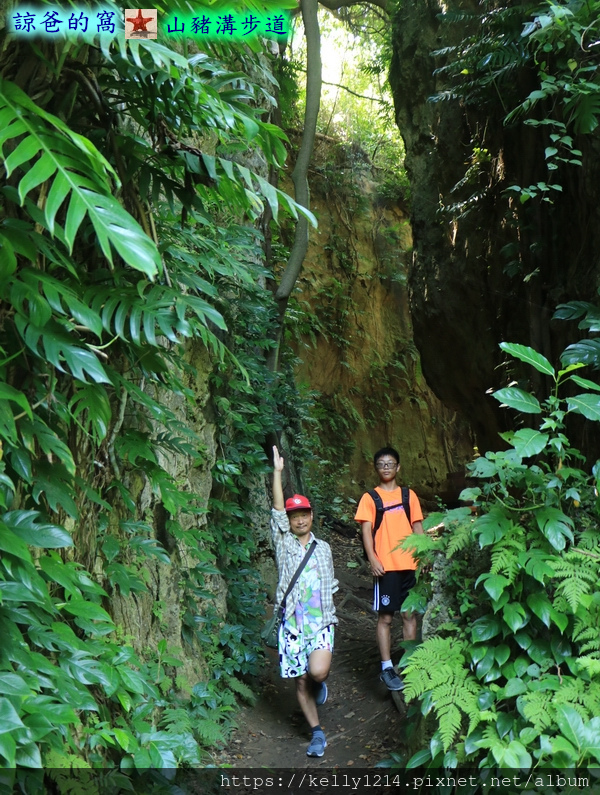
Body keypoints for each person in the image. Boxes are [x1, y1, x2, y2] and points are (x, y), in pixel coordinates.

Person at [270, 445, 338, 757]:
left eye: (303, 515)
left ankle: (318, 682)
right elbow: (275, 511)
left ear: (311, 516)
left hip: (320, 621)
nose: (299, 520)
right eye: (293, 516)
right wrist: (278, 473)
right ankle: (316, 732)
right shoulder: (283, 542)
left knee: (318, 673)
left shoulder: (323, 547)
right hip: (291, 625)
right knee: (299, 684)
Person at [354, 446, 423, 691]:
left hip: (410, 564)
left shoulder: (408, 495)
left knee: (409, 615)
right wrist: (372, 558)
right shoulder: (370, 498)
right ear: (376, 468)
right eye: (381, 463)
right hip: (386, 567)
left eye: (390, 463)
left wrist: (423, 557)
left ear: (398, 467)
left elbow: (417, 529)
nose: (386, 467)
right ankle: (386, 667)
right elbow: (366, 531)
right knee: (385, 616)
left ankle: (411, 664)